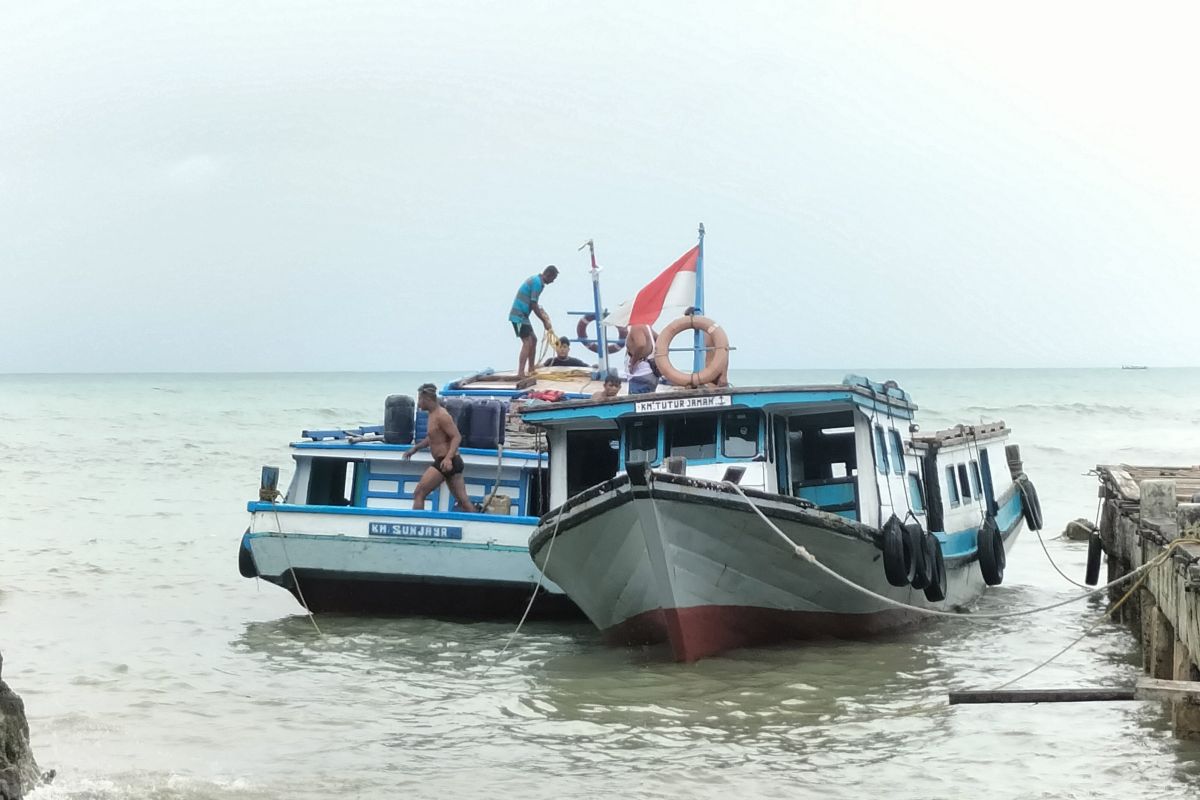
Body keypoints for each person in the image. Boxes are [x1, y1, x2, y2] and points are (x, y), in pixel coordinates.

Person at [401, 384, 477, 512]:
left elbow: (456, 437)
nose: (419, 403)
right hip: (450, 462)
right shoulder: (432, 415)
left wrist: (448, 458)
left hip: (447, 461)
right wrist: (416, 448)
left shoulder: (442, 415)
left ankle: (417, 524)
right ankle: (477, 523)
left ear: (427, 399)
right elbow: (433, 437)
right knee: (463, 501)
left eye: (420, 399)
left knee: (419, 493)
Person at [510, 265, 558, 378]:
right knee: (527, 342)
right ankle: (520, 372)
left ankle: (531, 368)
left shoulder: (538, 282)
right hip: (518, 316)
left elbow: (535, 304)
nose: (553, 281)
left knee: (534, 340)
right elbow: (533, 304)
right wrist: (544, 321)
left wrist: (543, 313)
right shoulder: (537, 283)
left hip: (523, 316)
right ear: (548, 275)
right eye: (553, 278)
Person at [624, 324, 659, 395]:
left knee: (635, 401)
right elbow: (660, 338)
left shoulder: (636, 326)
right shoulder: (647, 326)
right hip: (650, 373)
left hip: (640, 375)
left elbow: (641, 344)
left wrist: (633, 362)